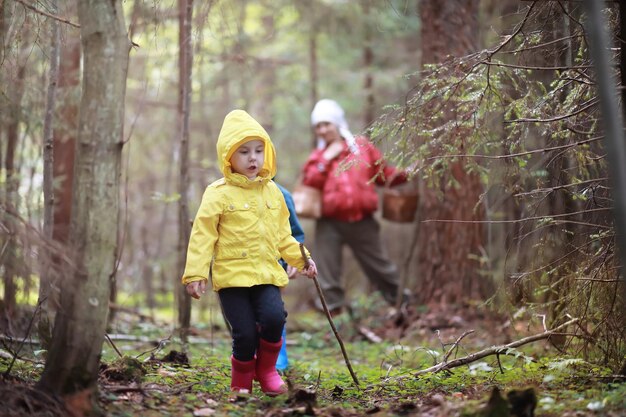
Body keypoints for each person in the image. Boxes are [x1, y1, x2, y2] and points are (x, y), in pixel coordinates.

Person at [182, 109, 317, 396]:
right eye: (244, 152)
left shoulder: (273, 193)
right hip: (232, 278)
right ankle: (241, 382)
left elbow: (284, 235)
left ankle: (267, 371)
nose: (253, 158)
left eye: (259, 150)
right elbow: (203, 235)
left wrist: (302, 259)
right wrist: (195, 273)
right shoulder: (217, 193)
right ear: (227, 156)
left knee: (273, 318)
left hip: (267, 272)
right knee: (243, 333)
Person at [300, 98, 407, 315]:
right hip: (329, 222)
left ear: (338, 123)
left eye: (326, 124)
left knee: (380, 266)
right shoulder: (318, 155)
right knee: (327, 270)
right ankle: (334, 312)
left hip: (362, 220)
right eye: (318, 126)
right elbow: (309, 181)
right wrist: (326, 159)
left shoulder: (361, 147)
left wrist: (405, 174)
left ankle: (401, 303)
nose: (322, 130)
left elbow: (382, 174)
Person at [275, 182, 305, 371]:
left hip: (274, 266)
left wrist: (294, 261)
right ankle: (250, 357)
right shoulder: (227, 193)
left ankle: (278, 360)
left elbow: (295, 233)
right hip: (239, 268)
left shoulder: (281, 194)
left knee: (273, 312)